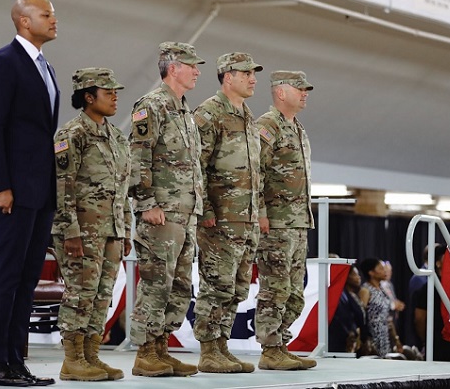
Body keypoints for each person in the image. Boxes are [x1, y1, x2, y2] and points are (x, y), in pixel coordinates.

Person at [0, 0, 59, 386]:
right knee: (6, 277)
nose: (54, 20)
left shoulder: (46, 68)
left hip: (40, 192)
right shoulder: (3, 64)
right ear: (24, 21)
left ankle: (15, 361)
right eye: (46, 14)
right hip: (12, 192)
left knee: (27, 280)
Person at [128, 42, 205, 377]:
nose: (198, 71)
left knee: (180, 285)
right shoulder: (152, 105)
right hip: (161, 213)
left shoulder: (185, 110)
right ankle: (146, 351)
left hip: (185, 213)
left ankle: (161, 346)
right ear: (173, 67)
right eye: (192, 65)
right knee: (157, 282)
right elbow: (139, 156)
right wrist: (147, 204)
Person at [52, 68, 131, 381]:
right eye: (108, 92)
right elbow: (63, 185)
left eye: (115, 92)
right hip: (81, 230)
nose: (115, 97)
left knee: (102, 294)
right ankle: (72, 360)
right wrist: (69, 231)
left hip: (110, 230)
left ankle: (91, 356)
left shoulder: (117, 136)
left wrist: (124, 230)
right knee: (80, 292)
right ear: (88, 96)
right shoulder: (72, 134)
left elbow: (121, 188)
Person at [192, 52, 262, 374]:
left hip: (245, 219)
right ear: (227, 76)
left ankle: (222, 346)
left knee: (237, 287)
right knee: (216, 284)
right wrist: (204, 209)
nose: (253, 79)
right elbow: (197, 165)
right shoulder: (210, 113)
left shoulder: (247, 115)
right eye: (247, 72)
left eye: (254, 73)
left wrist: (257, 212)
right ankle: (208, 349)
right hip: (219, 217)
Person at [254, 70, 317, 370]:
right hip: (276, 224)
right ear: (281, 92)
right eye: (299, 88)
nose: (305, 93)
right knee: (274, 288)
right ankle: (269, 349)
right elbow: (255, 172)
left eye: (306, 89)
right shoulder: (268, 126)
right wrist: (261, 213)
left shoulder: (298, 128)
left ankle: (281, 343)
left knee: (294, 291)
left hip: (297, 223)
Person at [414, 244, 450, 362]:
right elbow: (419, 318)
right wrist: (428, 338)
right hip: (437, 345)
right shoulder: (428, 288)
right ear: (438, 263)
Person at [328, 265, 367, 355]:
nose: (358, 277)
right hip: (336, 341)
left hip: (350, 341)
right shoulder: (330, 293)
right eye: (355, 275)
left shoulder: (348, 293)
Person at [360, 258, 393, 357]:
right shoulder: (365, 290)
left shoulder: (382, 289)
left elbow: (387, 316)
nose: (385, 271)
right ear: (371, 272)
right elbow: (361, 316)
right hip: (372, 337)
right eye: (380, 268)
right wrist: (365, 339)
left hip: (384, 336)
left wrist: (395, 338)